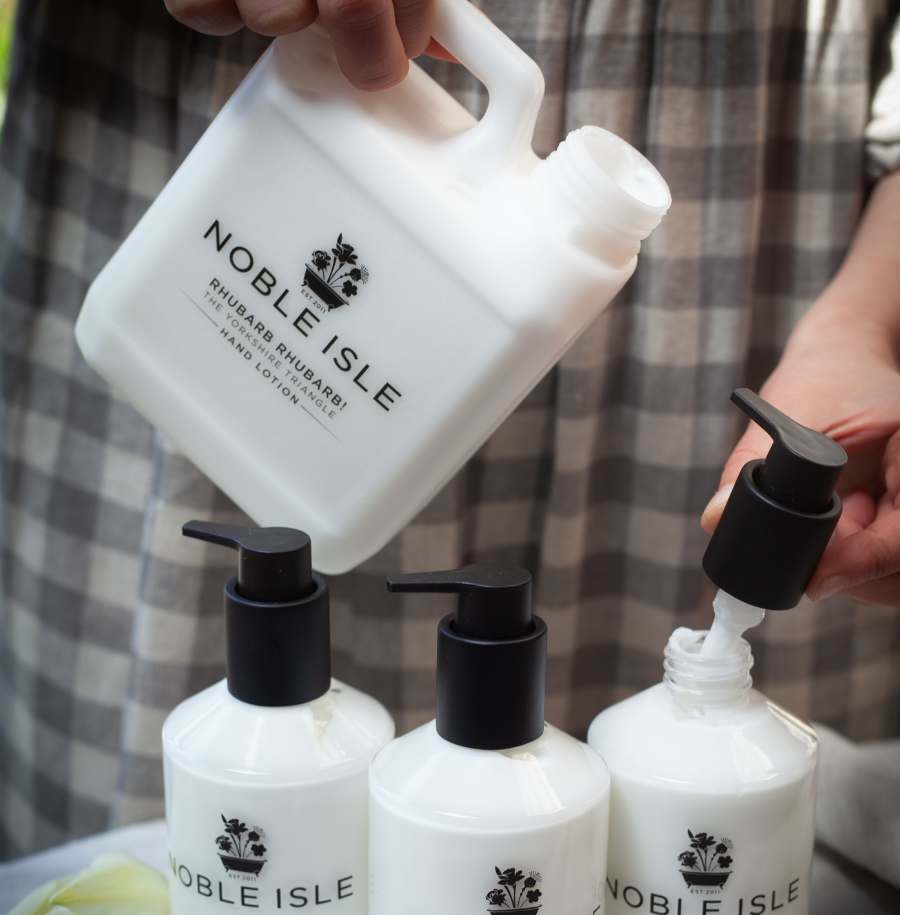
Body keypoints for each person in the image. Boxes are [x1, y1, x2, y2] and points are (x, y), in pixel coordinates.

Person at [1, 0, 898, 857]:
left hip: (781, 244)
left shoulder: (581, 258)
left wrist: (868, 325)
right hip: (232, 117)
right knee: (211, 821)